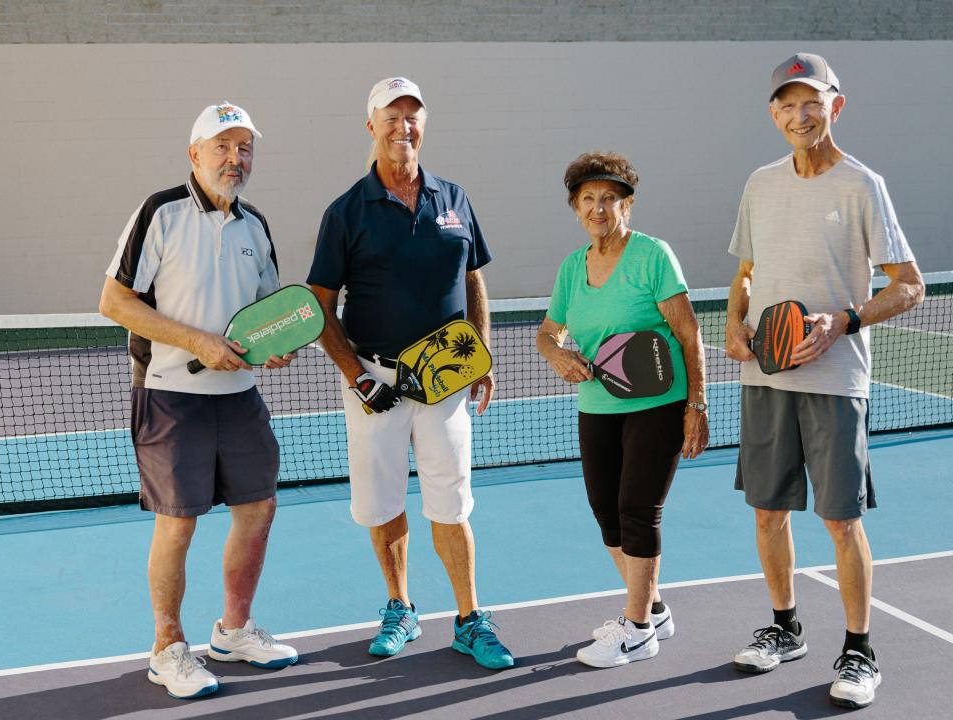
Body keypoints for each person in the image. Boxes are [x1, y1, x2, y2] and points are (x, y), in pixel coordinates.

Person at [725, 54, 924, 709]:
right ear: (772, 113)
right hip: (765, 378)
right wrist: (733, 322)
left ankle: (860, 650)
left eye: (811, 101)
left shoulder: (863, 185)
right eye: (786, 103)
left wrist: (844, 320)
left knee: (841, 521)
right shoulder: (759, 183)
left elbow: (909, 286)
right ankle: (785, 629)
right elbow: (747, 273)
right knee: (767, 512)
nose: (798, 114)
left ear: (836, 105)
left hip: (837, 383)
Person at [306, 77, 514, 670]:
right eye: (391, 116)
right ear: (371, 126)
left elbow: (473, 277)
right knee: (383, 501)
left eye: (413, 116)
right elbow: (319, 304)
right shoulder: (345, 211)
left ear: (425, 124)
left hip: (446, 380)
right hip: (375, 380)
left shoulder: (454, 198)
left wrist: (481, 352)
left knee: (452, 503)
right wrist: (354, 373)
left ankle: (471, 620)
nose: (404, 126)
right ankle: (399, 606)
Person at [99, 102, 299, 699]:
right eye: (222, 147)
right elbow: (114, 302)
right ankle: (168, 648)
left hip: (240, 397)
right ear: (195, 154)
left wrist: (275, 348)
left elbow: (267, 314)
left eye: (244, 148)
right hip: (170, 396)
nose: (234, 159)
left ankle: (233, 631)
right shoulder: (159, 213)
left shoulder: (255, 226)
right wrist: (197, 342)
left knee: (259, 509)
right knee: (178, 522)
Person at [536, 151, 709, 669]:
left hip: (658, 401)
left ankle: (636, 630)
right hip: (597, 404)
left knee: (637, 508)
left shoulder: (653, 256)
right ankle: (654, 610)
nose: (598, 208)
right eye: (588, 199)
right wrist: (558, 354)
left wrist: (697, 403)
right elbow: (548, 332)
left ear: (626, 206)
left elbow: (687, 332)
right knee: (605, 510)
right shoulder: (573, 266)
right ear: (575, 208)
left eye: (609, 198)